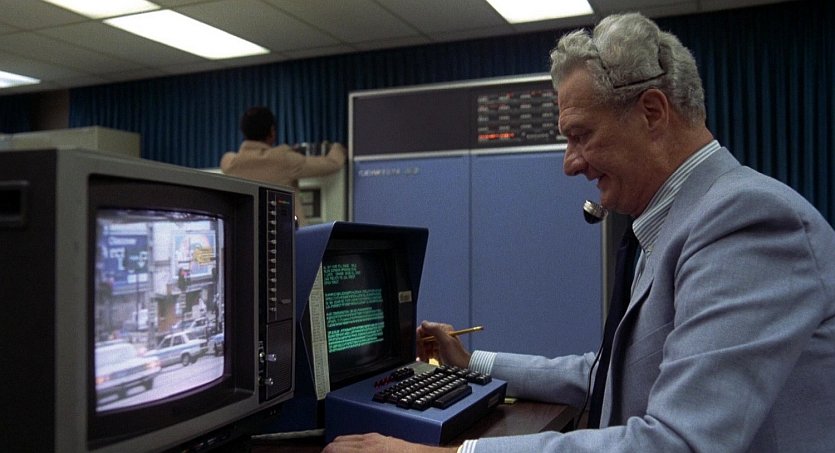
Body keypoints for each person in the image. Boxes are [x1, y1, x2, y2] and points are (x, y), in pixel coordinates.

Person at [323, 12, 835, 453]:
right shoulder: (679, 220)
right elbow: (609, 372)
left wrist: (453, 452)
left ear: (652, 113)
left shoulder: (745, 221)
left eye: (580, 135)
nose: (571, 164)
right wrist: (473, 359)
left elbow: (678, 443)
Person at [220, 106, 346, 226]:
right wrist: (338, 147)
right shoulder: (283, 158)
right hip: (288, 235)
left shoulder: (230, 163)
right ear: (272, 131)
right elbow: (332, 164)